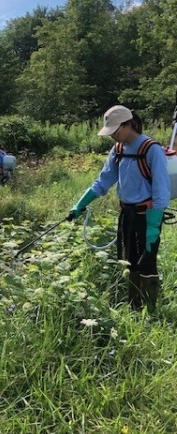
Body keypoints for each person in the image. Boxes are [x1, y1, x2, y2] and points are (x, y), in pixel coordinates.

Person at [68, 105, 170, 312]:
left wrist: (153, 226)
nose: (113, 136)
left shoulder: (151, 149)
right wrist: (80, 204)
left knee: (146, 263)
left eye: (116, 130)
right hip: (127, 215)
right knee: (129, 261)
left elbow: (161, 190)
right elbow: (102, 182)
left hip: (148, 216)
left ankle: (150, 311)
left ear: (128, 124)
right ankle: (135, 307)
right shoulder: (118, 150)